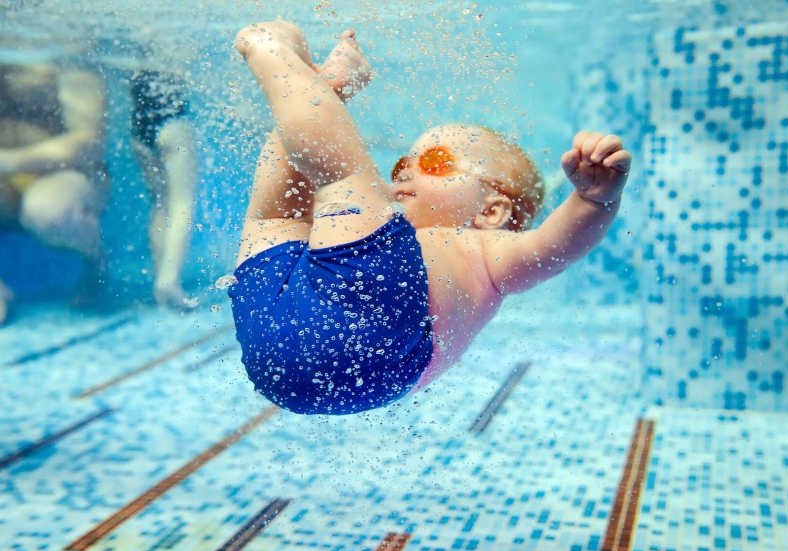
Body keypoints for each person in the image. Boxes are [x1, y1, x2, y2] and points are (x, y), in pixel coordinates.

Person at [228, 21, 632, 415]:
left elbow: (554, 248)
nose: (405, 171)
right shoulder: (395, 240)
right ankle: (322, 93)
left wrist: (594, 202)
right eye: (405, 162)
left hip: (373, 343)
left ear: (492, 211)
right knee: (282, 217)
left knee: (339, 177)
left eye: (435, 162)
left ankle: (276, 55)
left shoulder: (487, 251)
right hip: (282, 356)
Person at [0, 62, 107, 325]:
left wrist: (9, 161)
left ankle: (96, 260)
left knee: (50, 213)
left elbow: (90, 142)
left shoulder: (67, 54)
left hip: (68, 175)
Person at [129, 69, 198, 309]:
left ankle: (161, 278)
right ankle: (169, 282)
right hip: (172, 122)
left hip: (138, 125)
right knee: (182, 201)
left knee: (160, 202)